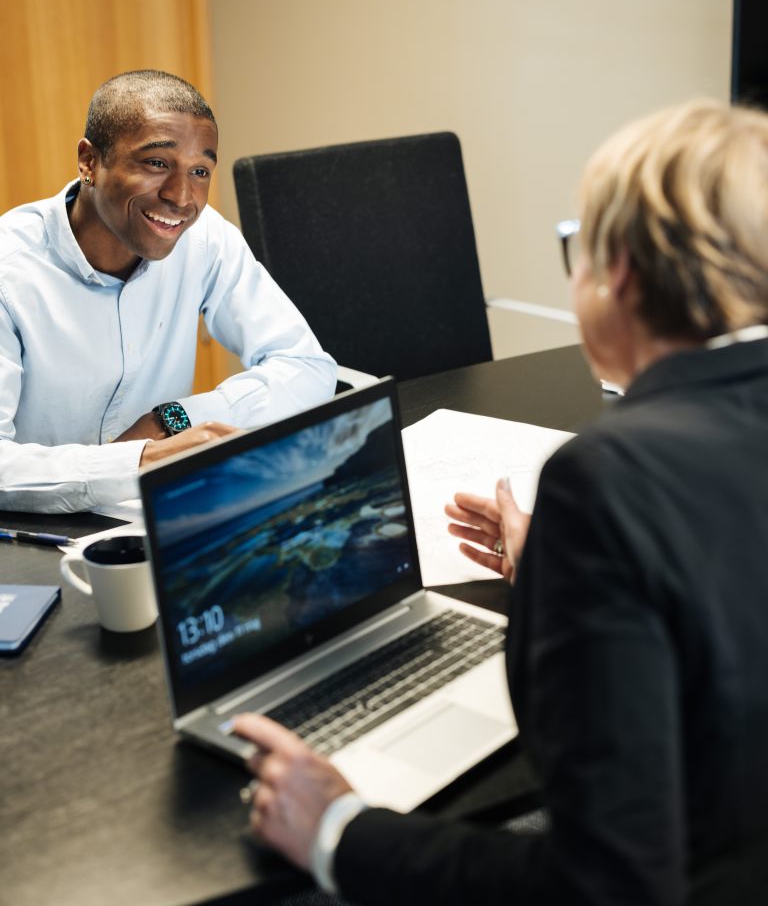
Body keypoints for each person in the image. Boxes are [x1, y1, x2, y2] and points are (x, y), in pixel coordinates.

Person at [232, 98, 768, 904]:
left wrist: (340, 829)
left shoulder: (605, 483)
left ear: (616, 270)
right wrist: (568, 582)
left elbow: (606, 886)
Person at [0, 69, 336, 512]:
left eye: (200, 171)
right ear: (89, 162)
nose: (182, 196)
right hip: (34, 538)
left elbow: (307, 366)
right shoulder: (11, 268)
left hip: (155, 516)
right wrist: (140, 460)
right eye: (156, 163)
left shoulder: (204, 238)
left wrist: (170, 421)